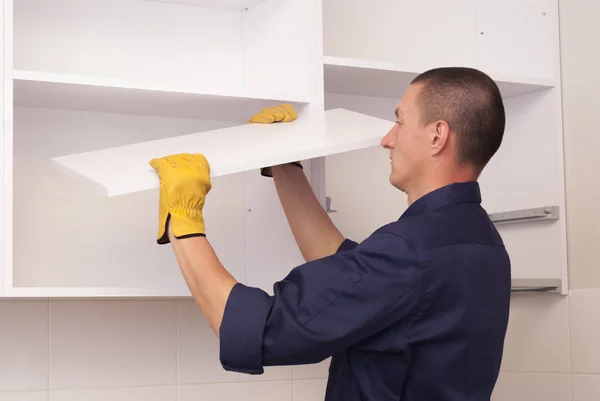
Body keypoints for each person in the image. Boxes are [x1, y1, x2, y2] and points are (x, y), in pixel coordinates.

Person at [148, 66, 511, 401]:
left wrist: (184, 220)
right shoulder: (482, 242)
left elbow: (259, 330)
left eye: (399, 121)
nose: (387, 139)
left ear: (437, 136)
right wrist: (282, 162)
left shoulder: (410, 251)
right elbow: (349, 273)